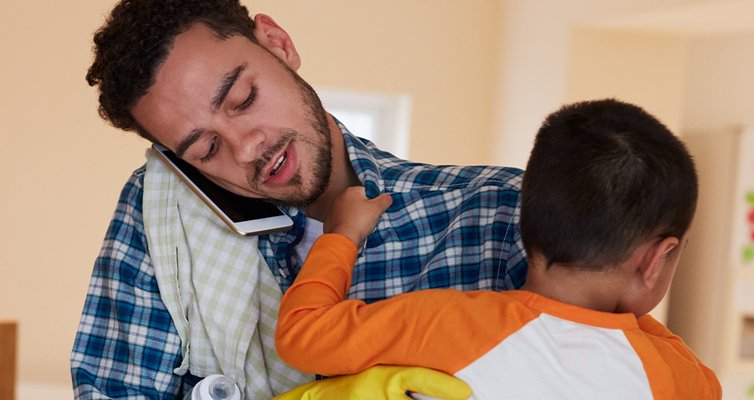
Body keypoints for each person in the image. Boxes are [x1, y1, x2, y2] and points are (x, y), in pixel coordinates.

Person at [73, 0, 527, 397]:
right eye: (207, 149)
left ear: (278, 43)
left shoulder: (498, 213)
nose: (247, 147)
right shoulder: (167, 215)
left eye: (243, 98)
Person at [275, 99, 721, 399]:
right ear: (656, 259)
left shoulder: (452, 324)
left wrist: (342, 234)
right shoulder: (672, 375)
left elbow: (303, 334)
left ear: (526, 221)